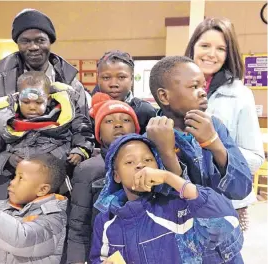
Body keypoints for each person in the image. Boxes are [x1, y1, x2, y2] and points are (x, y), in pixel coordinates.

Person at [148, 56, 252, 263]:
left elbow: (242, 188)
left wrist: (214, 143)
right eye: (193, 86)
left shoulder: (215, 127)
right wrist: (167, 153)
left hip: (224, 248)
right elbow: (171, 202)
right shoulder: (152, 137)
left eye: (203, 85)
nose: (203, 91)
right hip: (178, 250)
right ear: (164, 96)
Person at [90, 134, 243, 264]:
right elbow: (99, 258)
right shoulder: (105, 221)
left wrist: (169, 177)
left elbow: (228, 221)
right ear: (115, 175)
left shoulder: (179, 205)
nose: (140, 165)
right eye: (129, 162)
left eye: (148, 160)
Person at [185, 17, 264, 231]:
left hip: (227, 202)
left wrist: (216, 145)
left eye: (221, 48)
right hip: (182, 198)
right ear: (192, 47)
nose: (211, 54)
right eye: (205, 45)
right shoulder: (177, 88)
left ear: (229, 54)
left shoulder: (240, 95)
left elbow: (256, 158)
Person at [0, 71, 93, 203]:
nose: (32, 107)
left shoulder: (66, 112)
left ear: (48, 99)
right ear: (17, 98)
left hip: (56, 180)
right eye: (26, 102)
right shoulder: (5, 119)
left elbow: (82, 131)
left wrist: (80, 149)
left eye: (39, 102)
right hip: (18, 179)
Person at [67, 93, 140, 264]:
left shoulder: (150, 163)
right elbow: (79, 226)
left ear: (136, 128)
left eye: (126, 120)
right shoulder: (88, 170)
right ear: (98, 131)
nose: (118, 124)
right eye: (109, 121)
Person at [94, 50, 156, 134]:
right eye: (106, 78)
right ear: (98, 79)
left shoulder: (145, 111)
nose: (113, 84)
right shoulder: (91, 111)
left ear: (131, 79)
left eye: (121, 77)